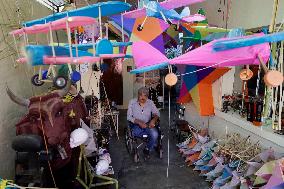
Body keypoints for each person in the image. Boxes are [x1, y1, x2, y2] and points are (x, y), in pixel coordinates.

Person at [127, 87, 160, 156]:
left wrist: (153, 120)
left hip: (148, 124)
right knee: (135, 132)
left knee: (155, 134)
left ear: (147, 96)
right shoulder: (132, 102)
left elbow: (156, 113)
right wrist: (139, 122)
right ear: (138, 95)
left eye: (145, 96)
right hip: (135, 124)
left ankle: (147, 148)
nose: (143, 97)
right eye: (141, 95)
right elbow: (129, 117)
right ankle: (152, 141)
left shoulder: (150, 102)